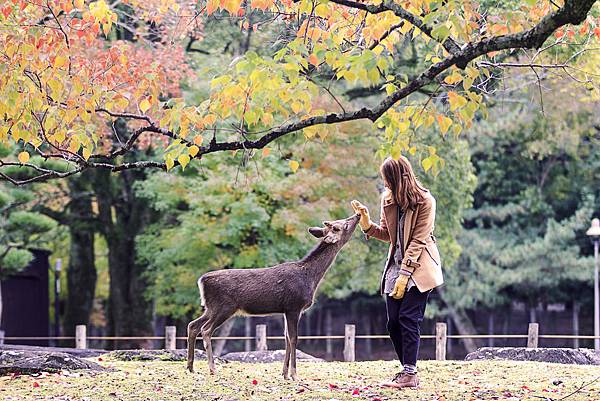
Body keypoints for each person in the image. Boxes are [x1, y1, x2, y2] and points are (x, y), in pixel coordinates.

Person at [351, 155, 443, 389]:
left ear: (398, 178)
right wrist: (367, 225)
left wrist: (405, 274)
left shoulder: (425, 201)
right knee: (393, 323)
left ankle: (410, 373)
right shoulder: (388, 199)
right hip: (396, 265)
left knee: (408, 318)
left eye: (388, 180)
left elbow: (418, 240)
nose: (385, 185)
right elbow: (388, 235)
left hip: (419, 267)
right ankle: (408, 371)